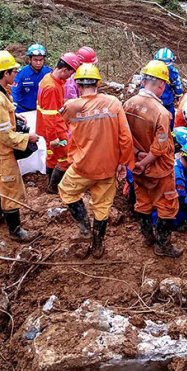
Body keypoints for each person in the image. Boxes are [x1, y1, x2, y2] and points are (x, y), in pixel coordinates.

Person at [58, 63, 135, 258]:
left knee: (67, 190)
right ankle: (98, 244)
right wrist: (123, 163)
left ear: (77, 84)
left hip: (82, 167)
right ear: (98, 83)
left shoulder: (71, 107)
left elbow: (63, 120)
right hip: (109, 167)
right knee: (102, 206)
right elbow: (126, 138)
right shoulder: (114, 103)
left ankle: (84, 228)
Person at [125, 60, 182, 257]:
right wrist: (145, 161)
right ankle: (163, 246)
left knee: (143, 203)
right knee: (167, 206)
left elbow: (124, 137)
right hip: (159, 170)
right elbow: (159, 148)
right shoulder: (162, 113)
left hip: (137, 167)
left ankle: (147, 237)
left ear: (143, 82)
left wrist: (137, 159)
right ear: (161, 85)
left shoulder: (128, 104)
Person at [0, 51, 39, 241]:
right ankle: (15, 231)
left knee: (0, 184)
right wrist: (27, 138)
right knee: (10, 189)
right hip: (3, 151)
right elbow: (5, 136)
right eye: (14, 71)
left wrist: (13, 115)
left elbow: (1, 118)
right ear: (6, 73)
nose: (16, 74)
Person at [38, 52, 83, 193]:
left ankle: (50, 184)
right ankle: (54, 189)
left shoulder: (48, 79)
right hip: (55, 130)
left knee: (52, 157)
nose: (70, 77)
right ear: (64, 70)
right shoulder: (51, 87)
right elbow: (50, 115)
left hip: (46, 129)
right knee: (65, 159)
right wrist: (54, 138)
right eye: (70, 74)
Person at [12, 43, 50, 113]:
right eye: (35, 60)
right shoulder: (21, 73)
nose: (38, 63)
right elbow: (14, 93)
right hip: (23, 110)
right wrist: (13, 109)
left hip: (42, 110)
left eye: (41, 60)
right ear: (29, 60)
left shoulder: (48, 73)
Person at [153, 48, 184, 122]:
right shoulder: (151, 71)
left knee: (170, 121)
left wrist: (179, 99)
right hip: (153, 103)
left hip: (167, 103)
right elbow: (143, 86)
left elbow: (177, 87)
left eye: (166, 63)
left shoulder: (172, 73)